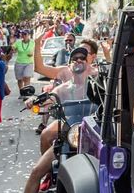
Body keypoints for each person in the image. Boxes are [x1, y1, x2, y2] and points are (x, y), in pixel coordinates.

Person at [22, 46, 91, 193]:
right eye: (75, 59)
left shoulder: (96, 85)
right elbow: (48, 100)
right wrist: (33, 100)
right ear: (69, 66)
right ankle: (49, 175)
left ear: (88, 62)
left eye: (82, 58)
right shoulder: (63, 89)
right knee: (36, 172)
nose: (79, 60)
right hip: (68, 136)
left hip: (93, 136)